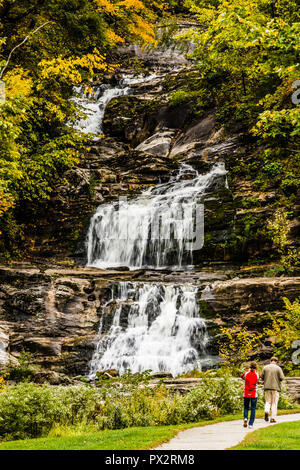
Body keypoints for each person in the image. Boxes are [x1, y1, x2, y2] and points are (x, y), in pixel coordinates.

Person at [261, 357, 285, 423]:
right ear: (276, 362)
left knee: (268, 401)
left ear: (270, 361)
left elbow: (262, 377)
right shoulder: (278, 368)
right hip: (275, 388)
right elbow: (282, 378)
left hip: (267, 387)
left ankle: (266, 411)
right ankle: (273, 418)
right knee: (274, 403)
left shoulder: (265, 367)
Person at [240, 361, 260, 429]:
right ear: (256, 367)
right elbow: (258, 381)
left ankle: (245, 418)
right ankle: (251, 424)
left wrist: (247, 371)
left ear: (249, 366)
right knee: (253, 408)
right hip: (254, 393)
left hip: (246, 392)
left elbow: (241, 376)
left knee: (246, 407)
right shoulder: (257, 374)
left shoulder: (246, 373)